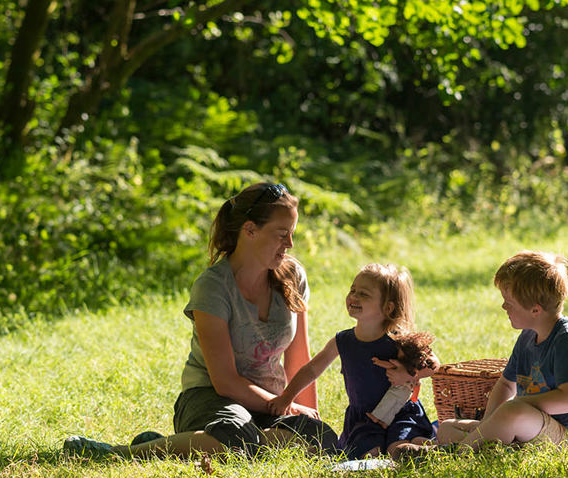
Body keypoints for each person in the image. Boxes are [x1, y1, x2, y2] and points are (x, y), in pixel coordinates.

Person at [64, 182, 337, 459]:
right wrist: (285, 407)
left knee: (318, 438)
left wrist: (309, 421)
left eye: (292, 234)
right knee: (237, 437)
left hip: (270, 403)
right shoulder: (213, 287)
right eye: (282, 234)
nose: (290, 244)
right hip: (210, 398)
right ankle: (120, 453)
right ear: (250, 230)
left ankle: (178, 445)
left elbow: (299, 360)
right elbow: (226, 382)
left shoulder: (293, 276)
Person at [435, 251, 568, 452]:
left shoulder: (567, 340)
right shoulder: (527, 336)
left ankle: (456, 455)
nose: (503, 306)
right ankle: (486, 449)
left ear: (535, 310)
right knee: (446, 428)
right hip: (528, 428)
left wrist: (520, 404)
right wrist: (489, 422)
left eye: (509, 302)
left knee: (513, 409)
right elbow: (506, 384)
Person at [268, 263, 438, 460]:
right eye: (352, 290)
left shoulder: (398, 339)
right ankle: (391, 454)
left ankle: (429, 450)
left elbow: (434, 364)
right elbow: (312, 369)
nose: (354, 297)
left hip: (400, 412)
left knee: (399, 446)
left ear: (388, 307)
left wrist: (407, 374)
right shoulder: (343, 341)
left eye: (364, 294)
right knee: (368, 455)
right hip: (365, 418)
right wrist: (286, 396)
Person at [365, 331, 440, 428]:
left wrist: (378, 362)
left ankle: (376, 416)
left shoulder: (402, 365)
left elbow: (389, 364)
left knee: (388, 401)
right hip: (406, 393)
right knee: (396, 407)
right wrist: (414, 397)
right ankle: (385, 422)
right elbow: (417, 385)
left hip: (399, 389)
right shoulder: (413, 370)